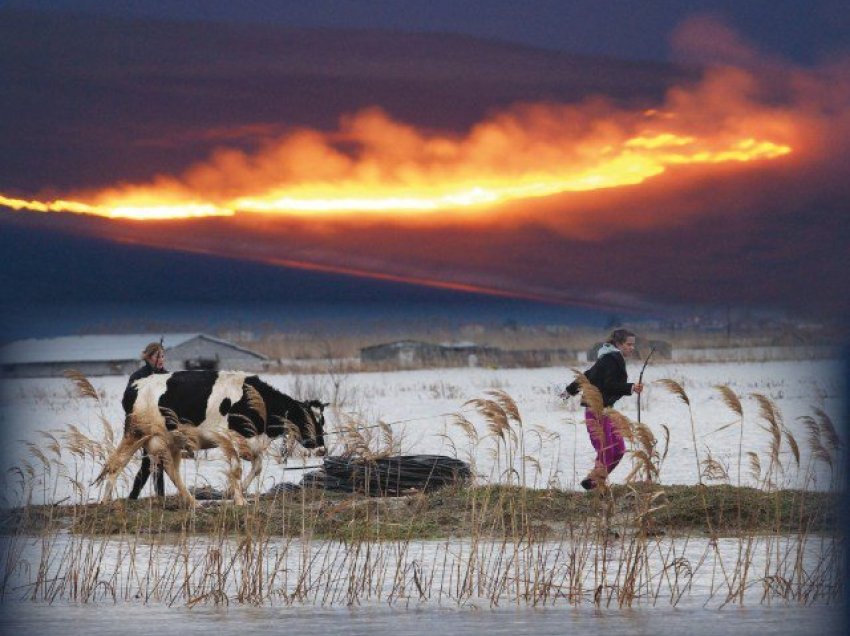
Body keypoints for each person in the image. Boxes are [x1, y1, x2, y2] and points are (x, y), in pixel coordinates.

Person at [564, 329, 643, 490]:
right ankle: (596, 484)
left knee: (619, 449)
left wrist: (570, 390)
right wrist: (631, 387)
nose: (632, 348)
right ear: (619, 344)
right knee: (605, 449)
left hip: (607, 410)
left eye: (633, 345)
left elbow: (588, 374)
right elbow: (607, 385)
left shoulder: (610, 357)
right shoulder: (611, 359)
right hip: (596, 410)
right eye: (629, 344)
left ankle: (595, 481)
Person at [122, 341, 168, 499]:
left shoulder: (167, 376)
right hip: (142, 426)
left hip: (161, 426)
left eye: (163, 356)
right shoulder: (138, 376)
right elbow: (127, 403)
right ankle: (158, 498)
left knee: (152, 461)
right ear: (148, 357)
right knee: (154, 460)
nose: (161, 359)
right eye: (157, 356)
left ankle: (134, 497)